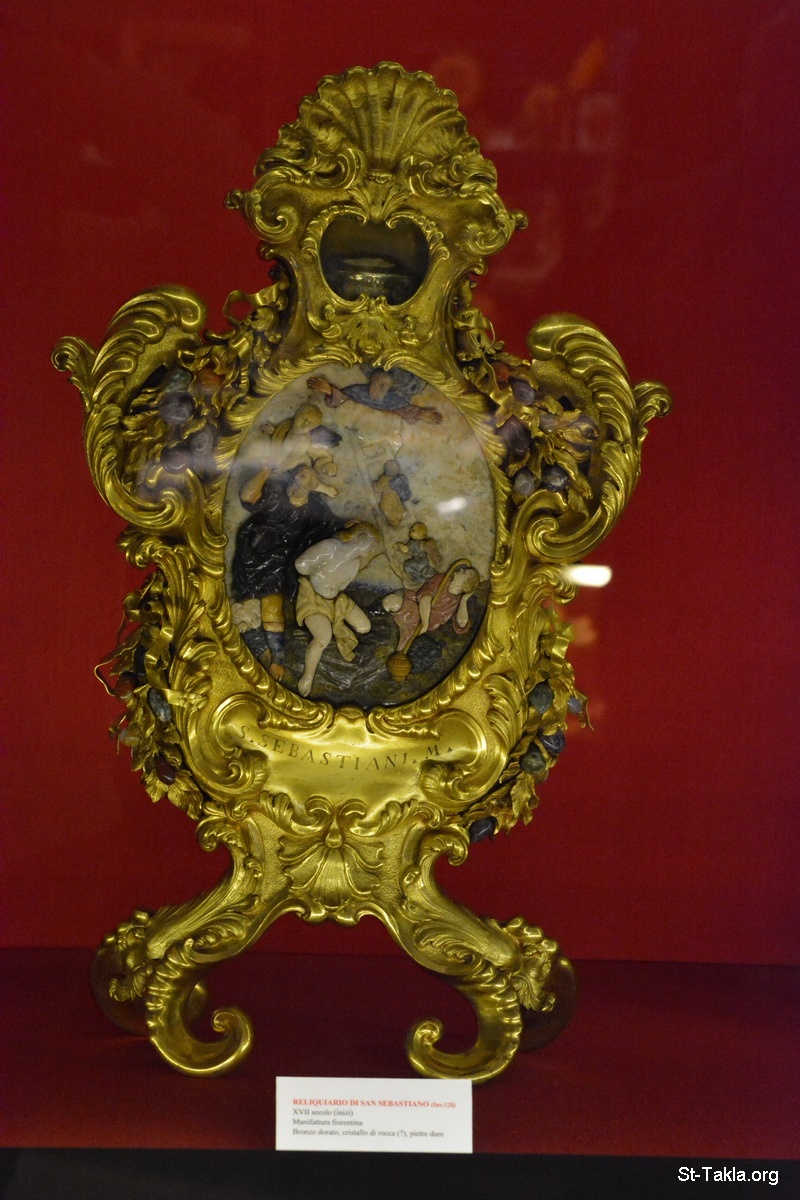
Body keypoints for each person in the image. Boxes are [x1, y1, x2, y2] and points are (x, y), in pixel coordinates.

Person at [293, 523, 383, 696]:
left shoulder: (356, 563)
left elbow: (341, 586)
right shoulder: (330, 547)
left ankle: (336, 624)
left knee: (365, 627)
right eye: (373, 546)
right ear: (362, 539)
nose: (373, 551)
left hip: (336, 601)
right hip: (313, 599)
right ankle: (308, 676)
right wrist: (317, 574)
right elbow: (300, 565)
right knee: (323, 637)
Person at [383, 562, 480, 657]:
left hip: (423, 622)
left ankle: (399, 653)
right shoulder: (441, 579)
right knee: (390, 602)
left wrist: (464, 599)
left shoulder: (456, 601)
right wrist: (424, 624)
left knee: (406, 640)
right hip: (414, 605)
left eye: (464, 572)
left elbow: (462, 623)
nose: (461, 569)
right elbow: (425, 599)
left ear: (466, 583)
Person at [308, 365, 443, 424]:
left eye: (379, 387)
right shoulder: (410, 386)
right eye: (377, 387)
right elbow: (398, 408)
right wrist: (420, 414)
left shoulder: (410, 384)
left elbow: (348, 396)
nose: (375, 395)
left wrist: (328, 389)